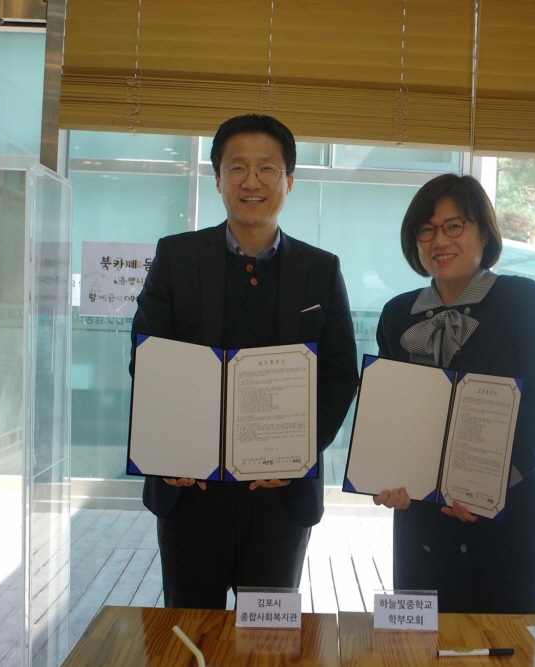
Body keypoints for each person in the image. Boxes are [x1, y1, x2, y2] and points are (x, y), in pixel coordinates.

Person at [130, 114, 359, 609]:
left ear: (289, 180)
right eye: (237, 168)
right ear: (217, 178)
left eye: (267, 168)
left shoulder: (321, 269)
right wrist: (168, 448)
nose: (251, 181)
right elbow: (147, 358)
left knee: (269, 635)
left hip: (280, 495)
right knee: (190, 631)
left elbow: (340, 373)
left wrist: (300, 452)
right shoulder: (176, 256)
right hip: (190, 491)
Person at [373, 173, 535, 614]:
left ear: (484, 232)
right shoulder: (398, 314)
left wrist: (487, 488)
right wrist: (385, 475)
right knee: (421, 639)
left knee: (501, 641)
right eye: (426, 229)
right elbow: (388, 411)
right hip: (421, 516)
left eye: (454, 226)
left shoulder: (523, 300)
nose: (439, 240)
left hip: (502, 511)